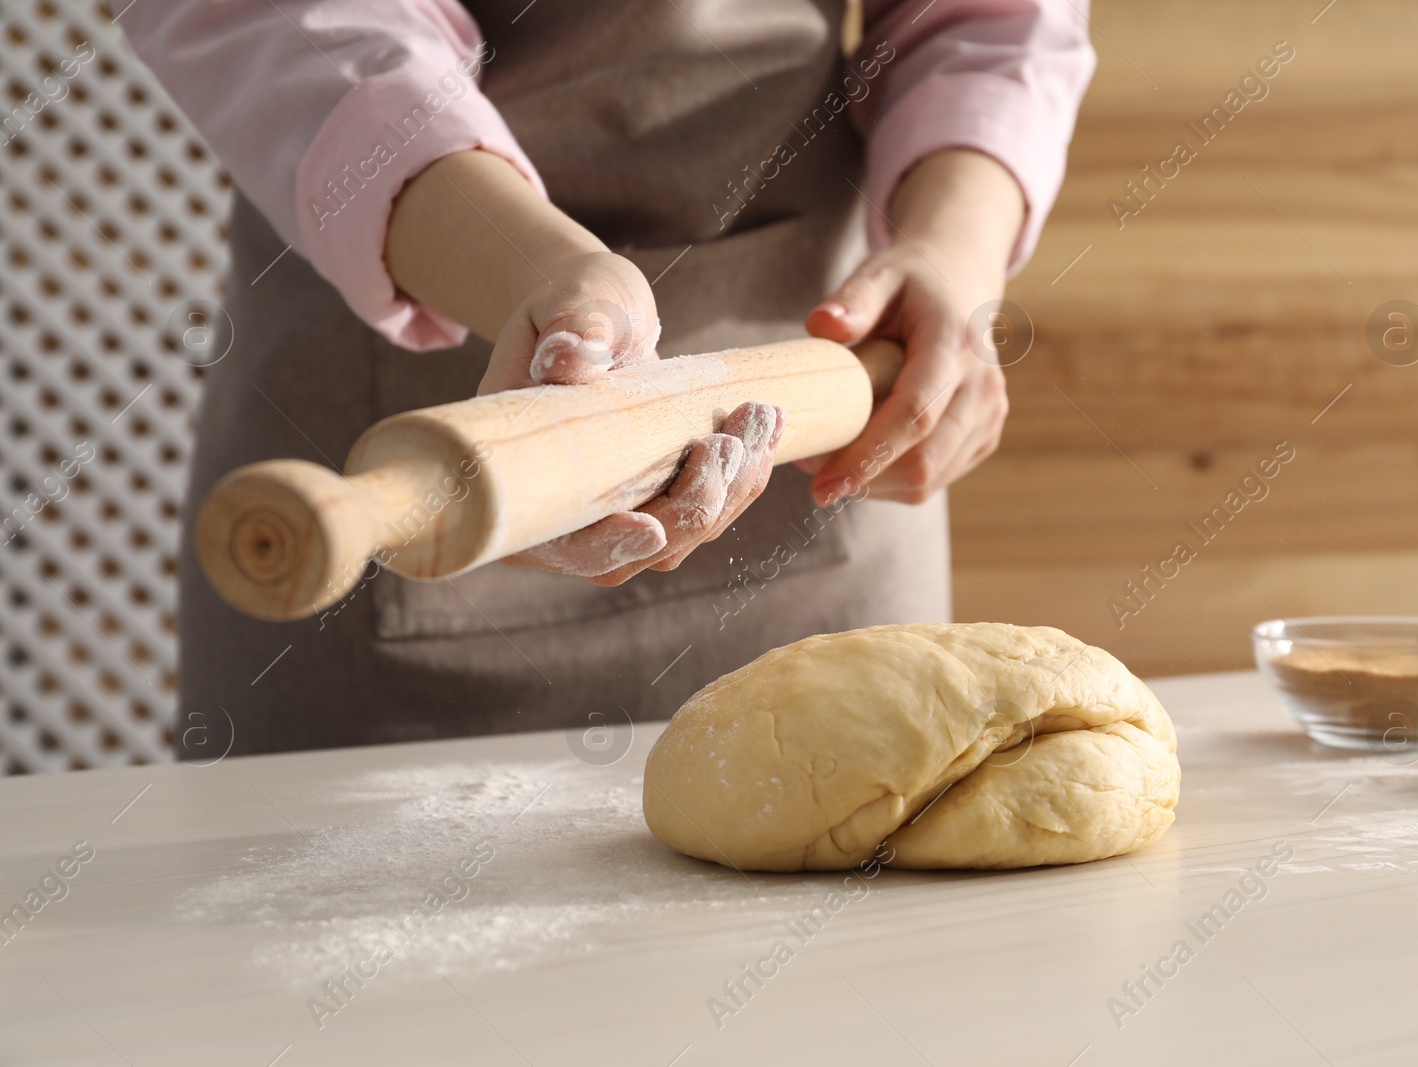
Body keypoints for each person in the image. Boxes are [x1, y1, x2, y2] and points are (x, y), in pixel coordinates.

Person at [116, 0, 1095, 757]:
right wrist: (530, 273)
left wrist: (952, 261)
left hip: (823, 416)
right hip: (400, 380)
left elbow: (986, 19)